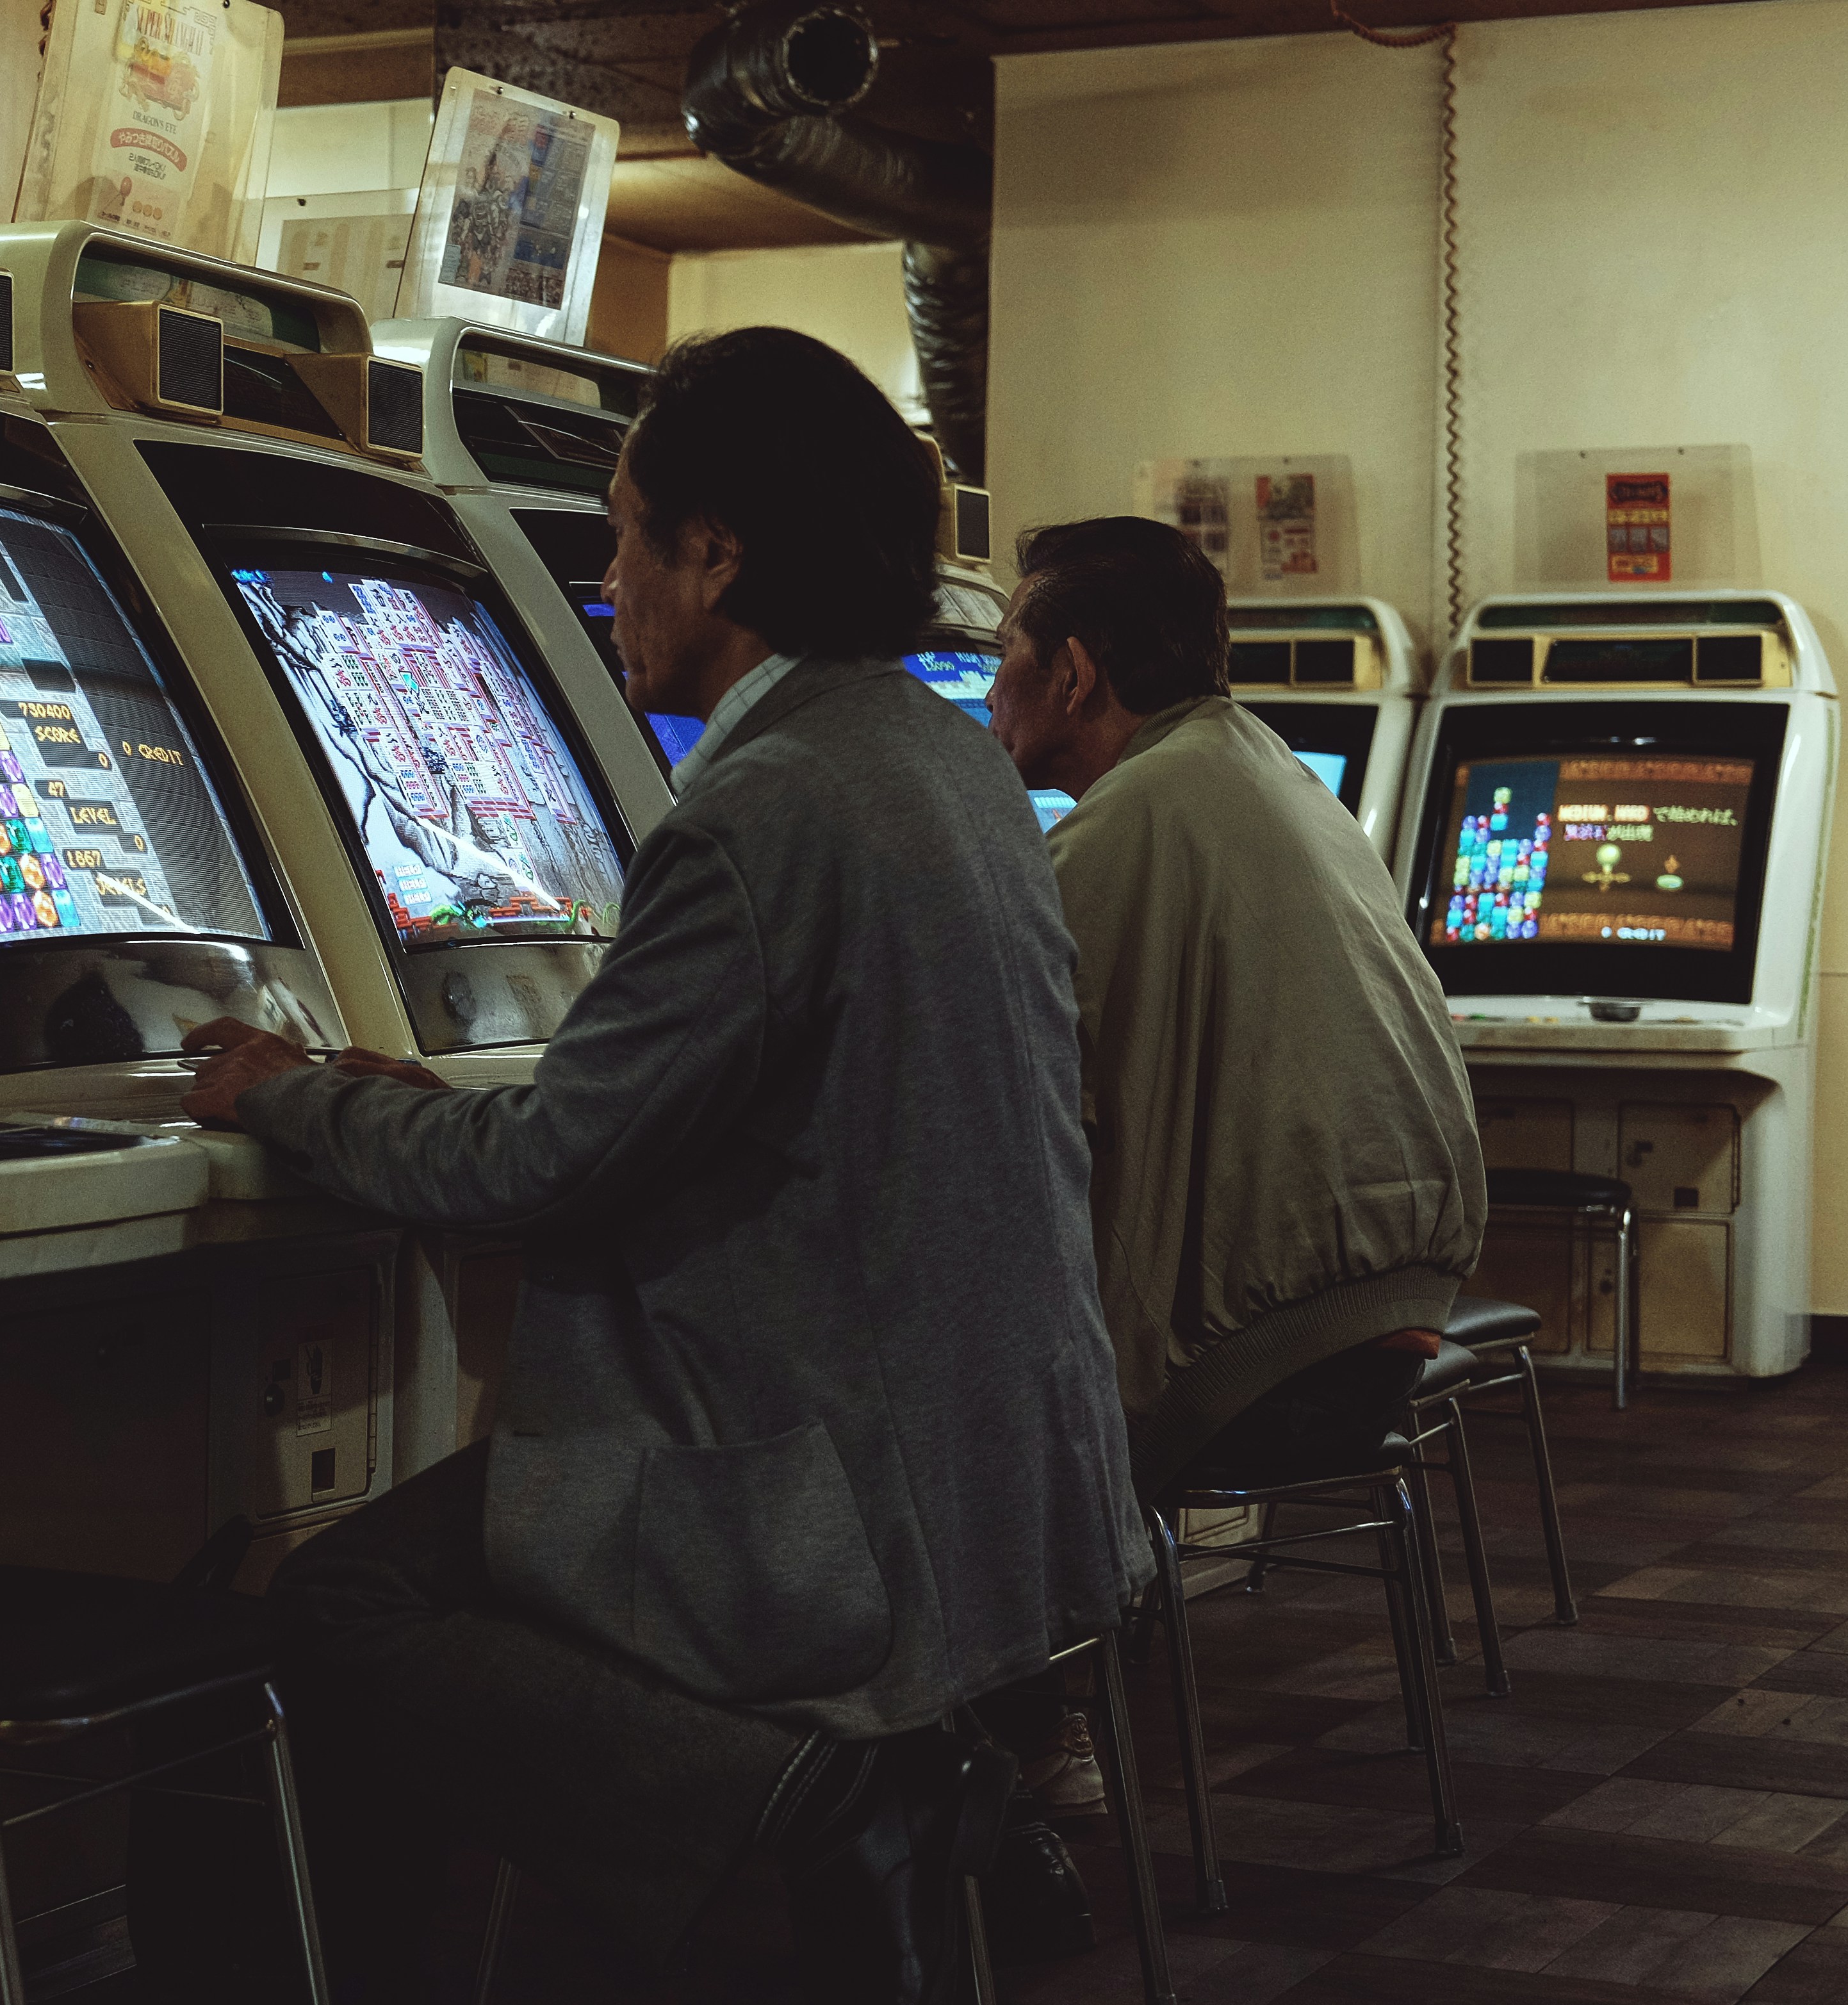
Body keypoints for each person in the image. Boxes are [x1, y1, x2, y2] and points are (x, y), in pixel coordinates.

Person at [175, 328, 1151, 2002]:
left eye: (626, 534)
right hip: (998, 1468)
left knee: (333, 1607)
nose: (607, 576)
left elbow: (541, 1167)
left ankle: (796, 1788)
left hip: (817, 1503)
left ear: (718, 553)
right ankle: (861, 1791)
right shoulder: (946, 765)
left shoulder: (760, 803)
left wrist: (285, 1093)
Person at [982, 516, 1485, 1502]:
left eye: (1005, 656)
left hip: (1258, 1364)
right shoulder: (1271, 769)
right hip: (1385, 1326)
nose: (990, 692)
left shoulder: (1125, 823)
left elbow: (997, 1101)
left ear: (1074, 674)